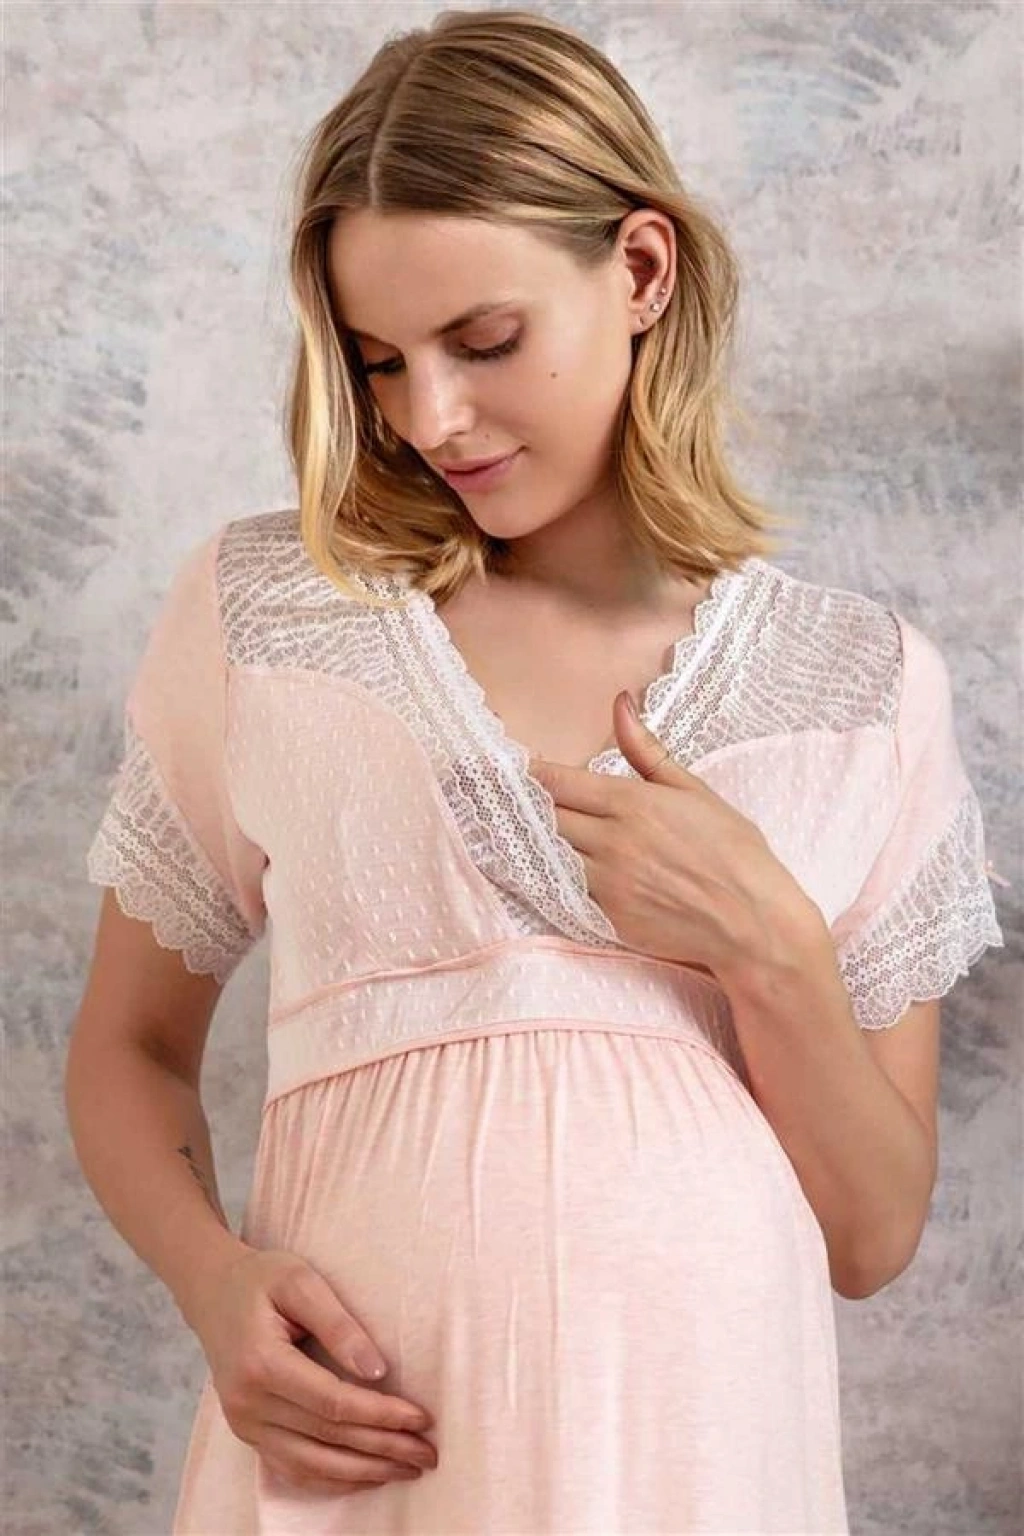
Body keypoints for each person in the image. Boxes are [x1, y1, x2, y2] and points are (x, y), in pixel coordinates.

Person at [65, 8, 1005, 1534]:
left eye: (483, 340)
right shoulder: (271, 617)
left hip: (704, 1479)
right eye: (380, 361)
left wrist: (768, 944)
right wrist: (214, 1281)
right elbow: (129, 1048)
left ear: (641, 271)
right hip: (357, 1480)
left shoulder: (863, 689)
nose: (429, 417)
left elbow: (870, 1235)